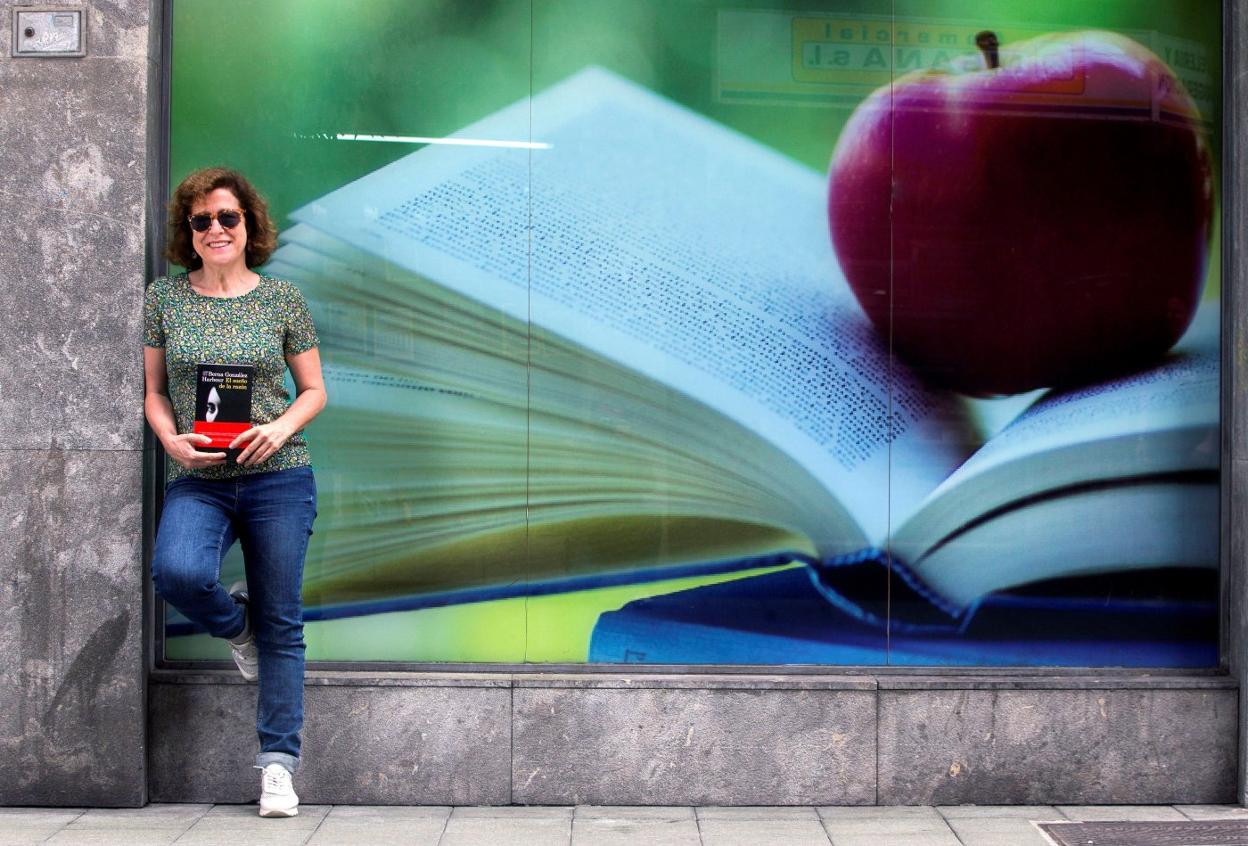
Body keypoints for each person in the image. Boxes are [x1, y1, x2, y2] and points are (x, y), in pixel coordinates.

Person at [143, 167, 326, 818]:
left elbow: (314, 391)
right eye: (201, 221)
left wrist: (278, 430)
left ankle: (278, 766)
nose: (216, 229)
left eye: (228, 217)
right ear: (188, 234)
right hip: (201, 477)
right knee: (179, 571)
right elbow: (155, 392)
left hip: (279, 475)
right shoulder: (165, 299)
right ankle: (234, 624)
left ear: (250, 225)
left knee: (284, 622)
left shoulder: (282, 300)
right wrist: (169, 439)